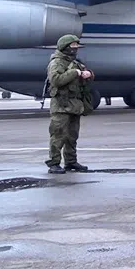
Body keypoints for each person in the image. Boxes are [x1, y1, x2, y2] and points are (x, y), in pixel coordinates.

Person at [45, 34, 94, 174]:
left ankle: (71, 162)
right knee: (58, 135)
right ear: (65, 47)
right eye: (73, 46)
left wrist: (87, 74)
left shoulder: (75, 62)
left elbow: (85, 75)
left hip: (74, 105)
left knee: (72, 136)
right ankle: (54, 163)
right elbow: (56, 80)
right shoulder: (56, 63)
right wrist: (75, 72)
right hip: (61, 105)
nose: (76, 49)